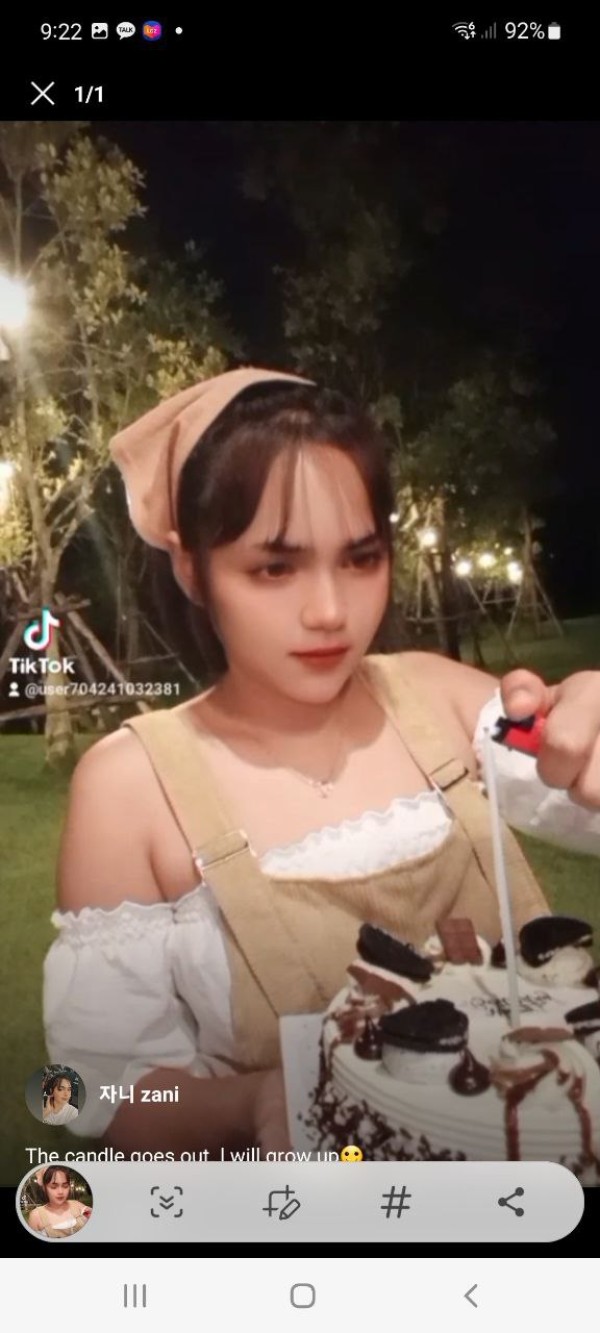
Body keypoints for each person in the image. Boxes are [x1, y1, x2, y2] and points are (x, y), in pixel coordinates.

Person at [43, 366, 600, 1161]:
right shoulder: (131, 788)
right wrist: (255, 1099)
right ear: (192, 568)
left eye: (361, 557)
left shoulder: (443, 701)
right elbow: (103, 1093)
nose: (331, 611)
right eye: (275, 567)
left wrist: (585, 724)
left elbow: (579, 779)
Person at [27, 1167, 91, 1238]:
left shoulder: (77, 1205)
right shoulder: (36, 1216)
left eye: (65, 1186)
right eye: (53, 1187)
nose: (60, 1192)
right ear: (44, 1188)